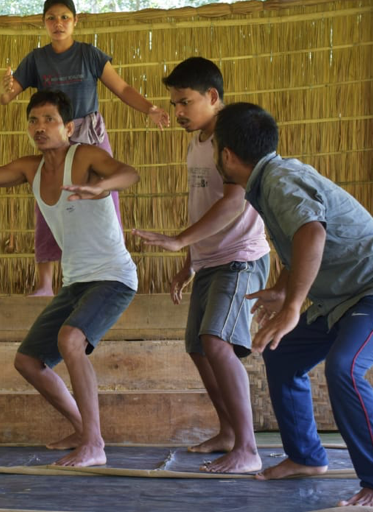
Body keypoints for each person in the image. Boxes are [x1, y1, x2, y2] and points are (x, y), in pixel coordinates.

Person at [0, 90, 139, 467]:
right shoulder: (32, 168)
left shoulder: (87, 156)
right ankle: (83, 428)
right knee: (28, 361)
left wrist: (100, 187)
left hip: (113, 276)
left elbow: (129, 173)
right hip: (76, 282)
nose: (39, 128)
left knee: (71, 341)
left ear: (69, 127)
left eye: (49, 120)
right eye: (33, 120)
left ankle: (94, 445)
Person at [215, 102, 373, 507]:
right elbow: (298, 243)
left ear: (226, 154)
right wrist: (281, 288)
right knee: (284, 354)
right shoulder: (269, 179)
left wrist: (292, 307)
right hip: (341, 298)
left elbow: (312, 231)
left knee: (346, 367)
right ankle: (306, 457)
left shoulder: (279, 179)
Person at [131, 58, 270, 473]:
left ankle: (248, 448)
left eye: (185, 102)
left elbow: (234, 201)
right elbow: (203, 204)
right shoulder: (197, 138)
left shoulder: (233, 137)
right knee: (198, 346)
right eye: (173, 104)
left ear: (212, 96)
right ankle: (229, 432)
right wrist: (189, 262)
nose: (177, 113)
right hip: (209, 260)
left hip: (241, 257)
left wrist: (179, 240)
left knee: (217, 343)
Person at [0, 0, 168, 297]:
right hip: (56, 138)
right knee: (48, 205)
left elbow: (122, 88)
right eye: (51, 18)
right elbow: (7, 97)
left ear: (76, 21)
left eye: (64, 17)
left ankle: (112, 272)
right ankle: (46, 283)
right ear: (43, 23)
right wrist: (4, 91)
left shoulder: (90, 55)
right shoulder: (36, 60)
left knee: (107, 200)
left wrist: (151, 109)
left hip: (90, 134)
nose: (58, 23)